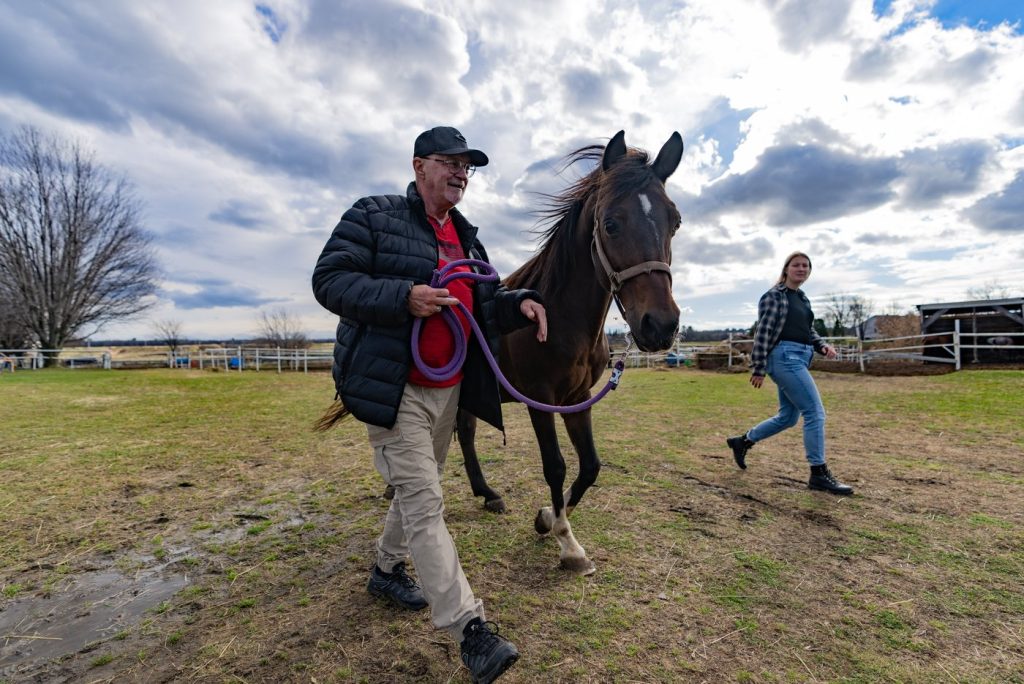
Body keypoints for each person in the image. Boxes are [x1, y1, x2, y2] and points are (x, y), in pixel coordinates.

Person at [312, 126, 547, 684]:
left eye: (469, 166)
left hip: (449, 390)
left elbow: (484, 305)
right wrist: (403, 296)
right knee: (424, 500)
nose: (462, 173)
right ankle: (471, 630)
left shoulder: (468, 238)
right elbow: (329, 279)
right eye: (452, 162)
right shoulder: (374, 214)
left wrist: (523, 305)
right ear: (420, 166)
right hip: (397, 389)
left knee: (423, 488)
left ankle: (386, 569)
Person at [726, 251, 854, 495]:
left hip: (801, 356)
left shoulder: (803, 298)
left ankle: (742, 442)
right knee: (815, 412)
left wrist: (822, 345)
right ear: (786, 269)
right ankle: (818, 473)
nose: (802, 269)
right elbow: (763, 332)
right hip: (784, 358)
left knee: (788, 417)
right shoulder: (774, 296)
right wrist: (758, 367)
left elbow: (807, 330)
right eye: (796, 265)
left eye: (806, 266)